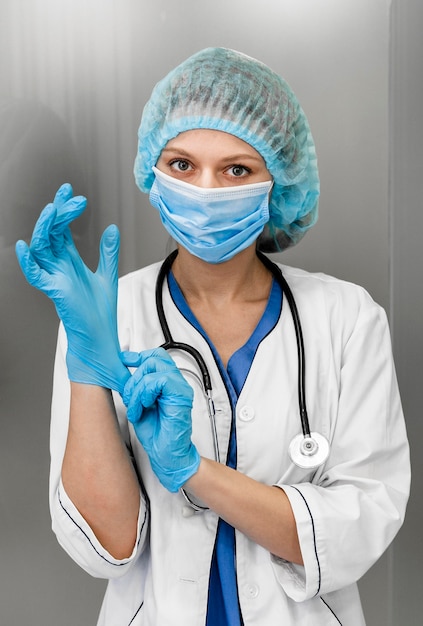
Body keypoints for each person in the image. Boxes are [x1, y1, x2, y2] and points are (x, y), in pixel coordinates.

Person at [16, 48, 410, 625]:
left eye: (236, 170)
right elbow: (105, 549)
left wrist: (192, 471)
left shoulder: (347, 319)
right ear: (153, 171)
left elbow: (359, 525)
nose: (205, 190)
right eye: (181, 164)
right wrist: (86, 358)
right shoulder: (110, 313)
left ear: (277, 181)